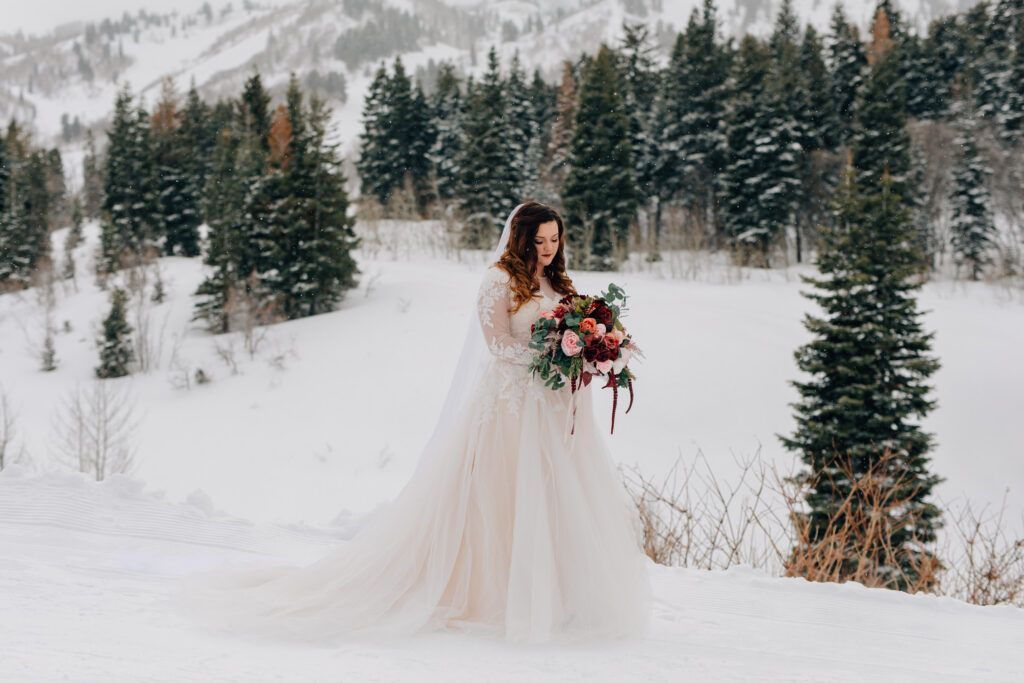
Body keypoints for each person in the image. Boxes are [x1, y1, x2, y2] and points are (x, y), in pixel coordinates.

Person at [178, 201, 652, 644]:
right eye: (539, 241)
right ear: (519, 239)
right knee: (504, 495)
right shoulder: (498, 281)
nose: (548, 249)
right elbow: (497, 345)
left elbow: (572, 330)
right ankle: (493, 593)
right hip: (509, 407)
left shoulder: (560, 286)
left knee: (551, 495)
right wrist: (549, 354)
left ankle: (555, 593)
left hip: (552, 409)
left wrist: (594, 354)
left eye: (554, 239)